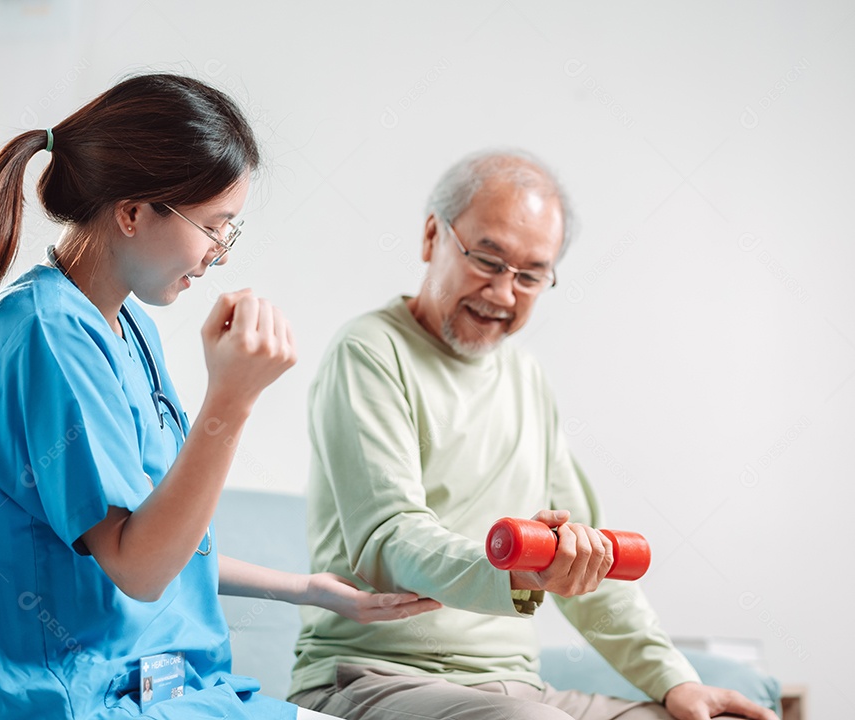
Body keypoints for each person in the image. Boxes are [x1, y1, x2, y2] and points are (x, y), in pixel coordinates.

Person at [0, 73, 438, 720]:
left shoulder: (126, 326)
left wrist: (312, 590)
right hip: (81, 700)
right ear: (133, 213)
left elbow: (164, 538)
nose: (219, 254)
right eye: (214, 226)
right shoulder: (44, 337)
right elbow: (139, 569)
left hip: (175, 689)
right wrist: (232, 400)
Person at [289, 149, 780, 720]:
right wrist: (513, 572)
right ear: (432, 237)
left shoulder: (528, 378)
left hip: (517, 688)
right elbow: (390, 538)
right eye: (487, 260)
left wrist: (674, 682)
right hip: (374, 679)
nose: (502, 294)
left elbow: (592, 565)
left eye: (529, 275)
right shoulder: (370, 351)